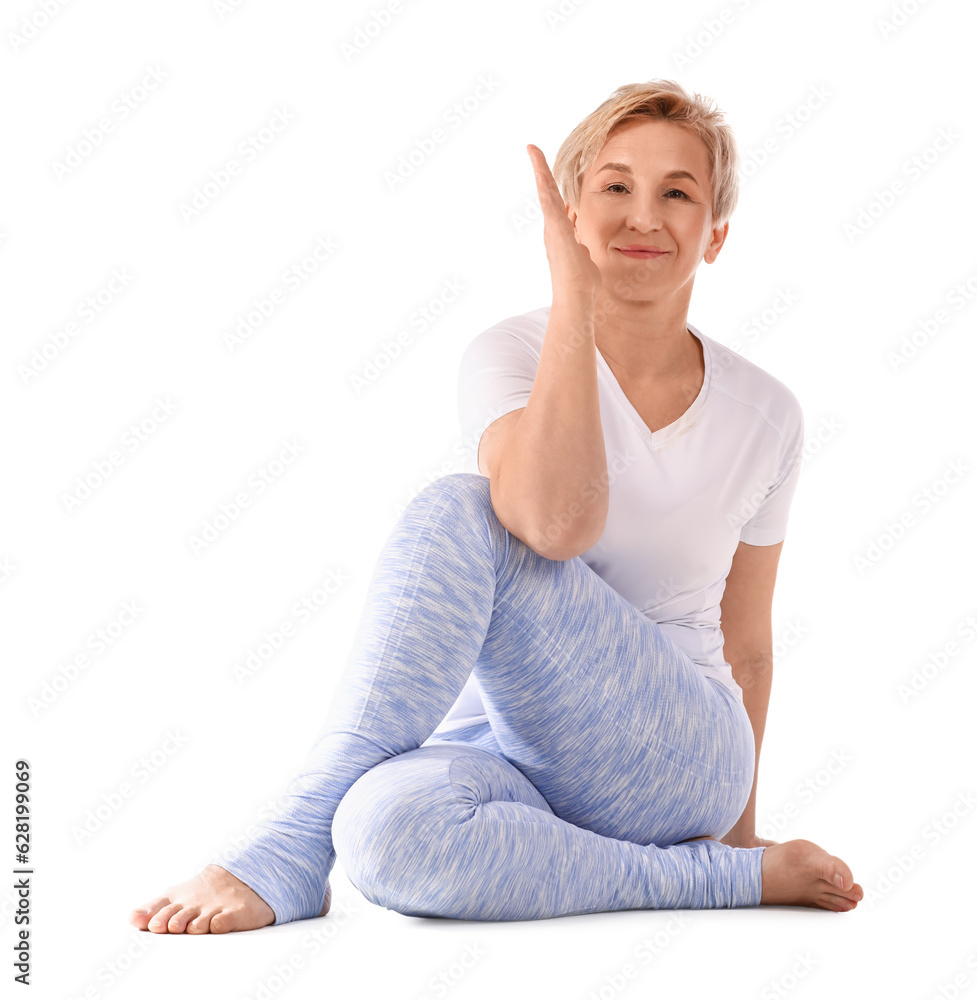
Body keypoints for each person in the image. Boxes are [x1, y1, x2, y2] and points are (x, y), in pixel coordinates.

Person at [129, 79, 862, 934]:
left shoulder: (765, 412)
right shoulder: (505, 353)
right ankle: (693, 881)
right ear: (570, 212)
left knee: (455, 510)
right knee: (381, 833)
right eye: (614, 187)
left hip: (680, 755)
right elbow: (548, 515)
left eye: (677, 194)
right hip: (511, 753)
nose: (642, 216)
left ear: (716, 235)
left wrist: (737, 838)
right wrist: (572, 305)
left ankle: (289, 841)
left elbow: (743, 641)